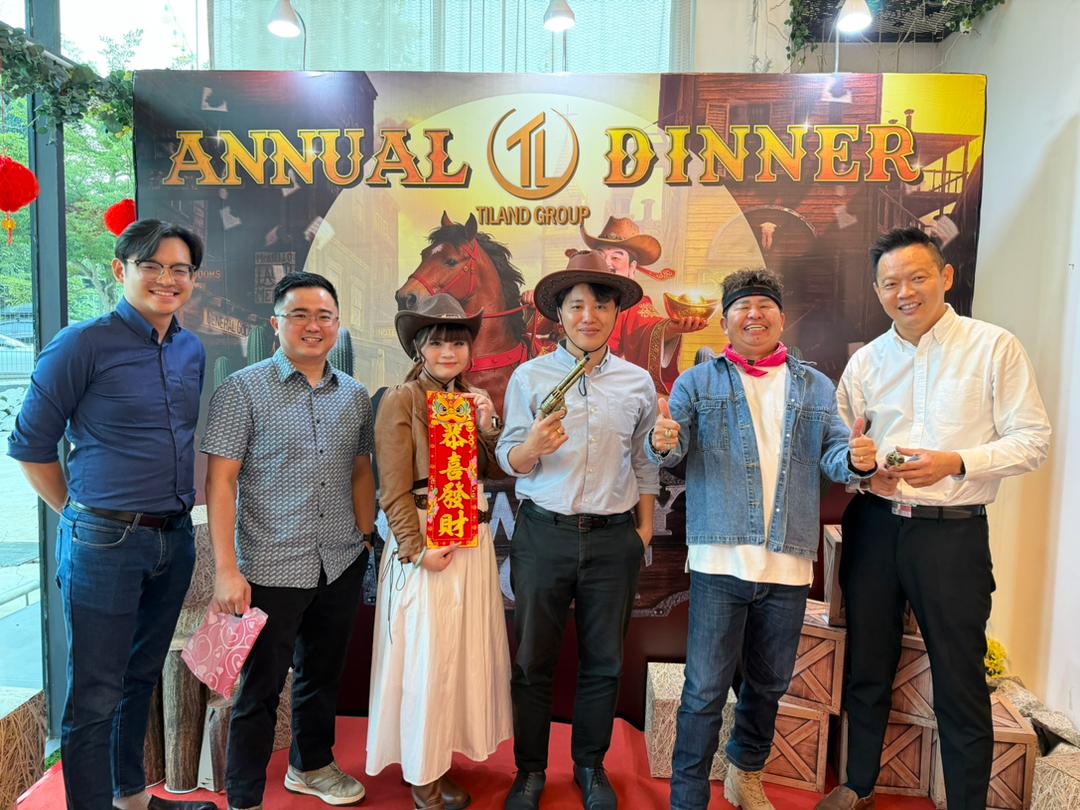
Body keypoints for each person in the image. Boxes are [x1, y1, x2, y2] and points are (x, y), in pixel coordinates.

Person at [819, 228, 1051, 810]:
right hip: (875, 527)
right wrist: (861, 471)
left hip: (953, 534)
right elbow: (840, 445)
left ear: (945, 277)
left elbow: (1033, 440)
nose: (905, 292)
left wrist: (958, 461)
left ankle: (966, 801)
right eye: (891, 283)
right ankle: (858, 785)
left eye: (917, 277)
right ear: (877, 291)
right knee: (868, 664)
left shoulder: (993, 347)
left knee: (959, 675)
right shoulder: (866, 361)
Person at [648, 268, 877, 810]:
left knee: (770, 684)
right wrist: (662, 440)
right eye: (742, 307)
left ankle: (744, 774)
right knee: (704, 689)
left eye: (764, 305)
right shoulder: (698, 383)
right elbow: (673, 452)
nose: (754, 315)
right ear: (726, 320)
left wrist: (858, 460)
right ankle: (687, 799)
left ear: (781, 316)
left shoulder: (815, 386)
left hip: (788, 563)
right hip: (719, 559)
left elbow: (835, 456)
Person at [7, 219, 213, 810]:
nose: (167, 279)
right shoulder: (81, 344)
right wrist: (78, 514)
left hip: (173, 539)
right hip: (103, 541)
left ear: (192, 279)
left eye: (180, 269)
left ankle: (130, 796)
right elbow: (30, 446)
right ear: (122, 270)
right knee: (95, 694)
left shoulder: (190, 348)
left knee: (141, 676)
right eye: (152, 266)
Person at [202, 272, 375, 810]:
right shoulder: (242, 389)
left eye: (324, 316)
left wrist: (365, 538)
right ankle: (246, 797)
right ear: (275, 324)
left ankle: (311, 766)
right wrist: (226, 569)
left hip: (340, 560)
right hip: (271, 565)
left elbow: (360, 470)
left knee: (322, 676)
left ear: (338, 325)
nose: (312, 326)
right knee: (260, 688)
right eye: (299, 315)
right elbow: (220, 482)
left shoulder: (355, 396)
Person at [497, 250, 660, 810]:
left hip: (614, 538)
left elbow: (645, 462)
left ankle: (591, 767)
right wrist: (531, 447)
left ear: (615, 313)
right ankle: (530, 771)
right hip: (544, 534)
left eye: (600, 305)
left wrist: (642, 532)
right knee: (532, 661)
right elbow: (509, 457)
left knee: (604, 662)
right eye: (576, 306)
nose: (588, 316)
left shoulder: (637, 382)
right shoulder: (530, 376)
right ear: (559, 315)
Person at [365, 293, 512, 810]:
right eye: (437, 342)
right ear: (419, 349)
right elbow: (392, 489)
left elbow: (493, 472)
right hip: (427, 540)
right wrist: (415, 548)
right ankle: (422, 771)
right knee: (427, 657)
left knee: (457, 655)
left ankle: (439, 759)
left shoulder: (469, 399)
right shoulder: (401, 400)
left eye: (458, 342)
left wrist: (489, 425)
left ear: (470, 351)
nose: (448, 351)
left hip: (470, 540)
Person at [581, 216, 708, 393]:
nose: (607, 263)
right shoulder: (573, 294)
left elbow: (648, 328)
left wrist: (671, 328)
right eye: (600, 256)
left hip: (607, 384)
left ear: (632, 268)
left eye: (616, 257)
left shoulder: (634, 303)